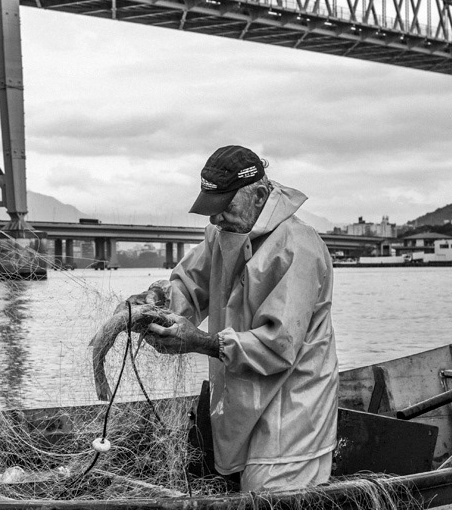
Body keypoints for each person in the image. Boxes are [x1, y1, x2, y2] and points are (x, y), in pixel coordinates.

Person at [140, 145, 339, 492]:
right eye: (211, 209)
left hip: (293, 405)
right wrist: (150, 306)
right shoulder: (221, 234)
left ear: (259, 196)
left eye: (225, 207)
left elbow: (278, 345)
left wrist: (200, 341)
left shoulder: (297, 245)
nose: (215, 219)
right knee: (235, 481)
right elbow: (188, 288)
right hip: (241, 397)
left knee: (266, 494)